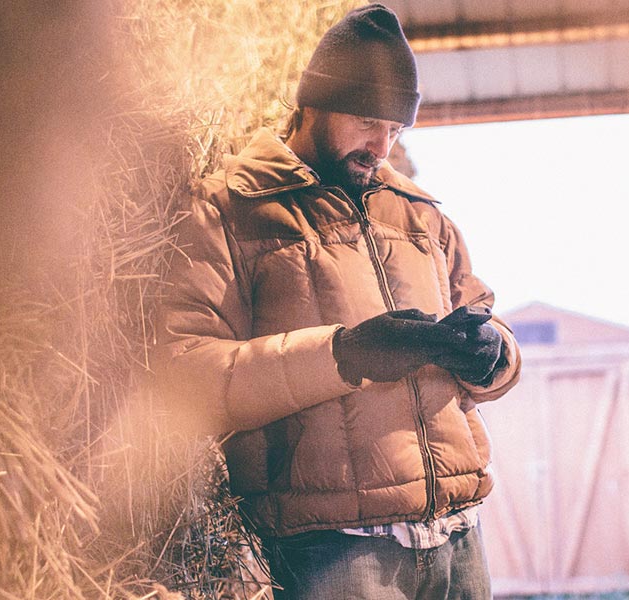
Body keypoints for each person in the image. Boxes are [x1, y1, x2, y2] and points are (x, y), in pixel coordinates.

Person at [153, 4, 522, 599]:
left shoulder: (422, 216)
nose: (382, 145)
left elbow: (492, 329)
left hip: (458, 538)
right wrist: (343, 356)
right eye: (366, 121)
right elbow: (187, 373)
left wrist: (494, 356)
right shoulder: (228, 210)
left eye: (397, 129)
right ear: (313, 103)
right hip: (335, 552)